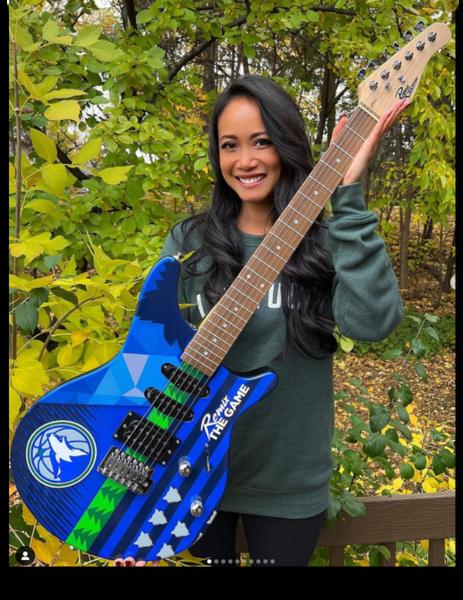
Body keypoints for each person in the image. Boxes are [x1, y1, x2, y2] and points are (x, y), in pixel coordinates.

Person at [116, 74, 408, 567]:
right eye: (229, 145)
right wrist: (131, 483)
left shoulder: (325, 244)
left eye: (262, 141)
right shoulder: (189, 243)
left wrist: (349, 195)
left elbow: (373, 323)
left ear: (287, 145)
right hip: (185, 472)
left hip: (286, 483)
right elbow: (148, 360)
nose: (245, 160)